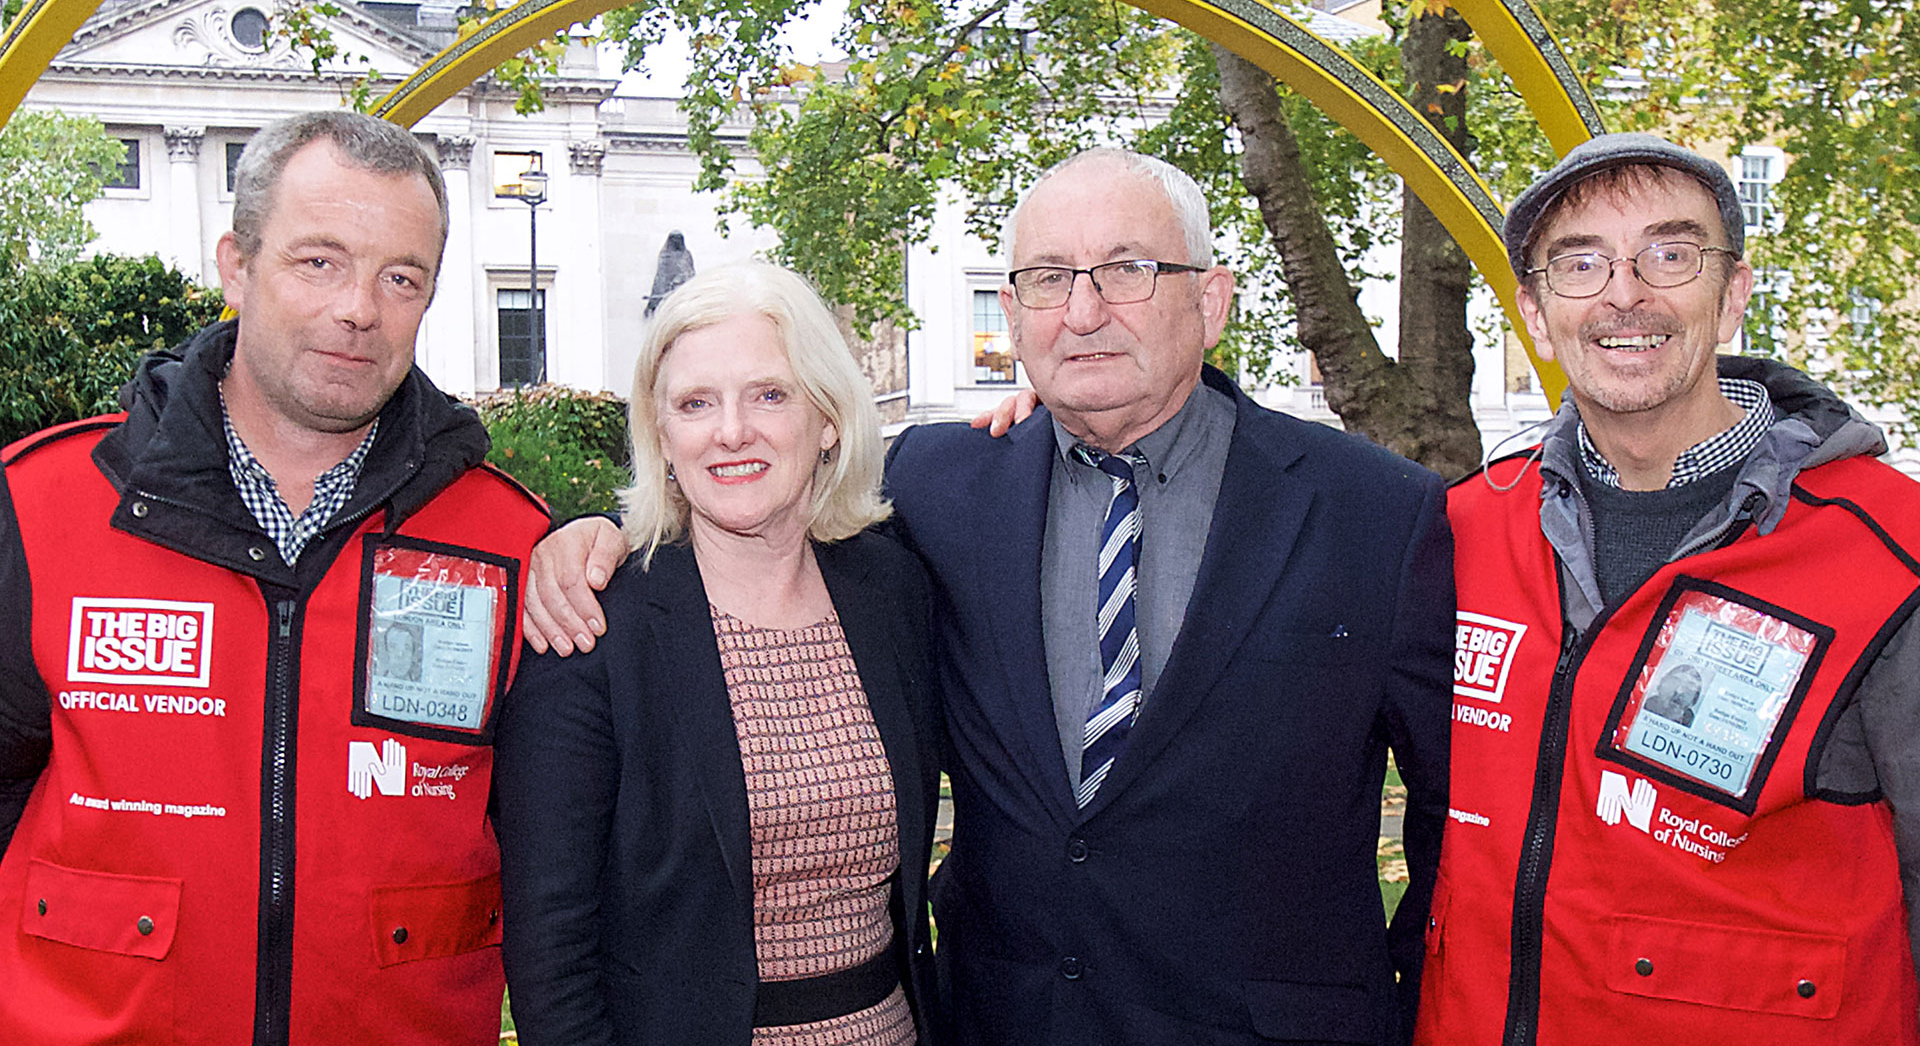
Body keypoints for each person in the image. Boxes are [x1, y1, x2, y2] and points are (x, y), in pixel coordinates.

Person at [525, 149, 1455, 1045]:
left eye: (1126, 270)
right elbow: (751, 507)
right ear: (1013, 317)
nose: (1083, 312)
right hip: (996, 1017)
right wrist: (590, 537)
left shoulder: (1376, 513)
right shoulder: (942, 487)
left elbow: (1458, 827)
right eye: (1049, 279)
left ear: (1211, 300)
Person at [0, 111, 552, 1044]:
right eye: (319, 262)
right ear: (236, 264)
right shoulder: (38, 507)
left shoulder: (514, 543)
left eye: (400, 277)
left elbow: (559, 857)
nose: (359, 310)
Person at [1416, 132, 1920, 1044]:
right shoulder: (1462, 531)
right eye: (1581, 262)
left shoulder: (1891, 554)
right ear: (1534, 312)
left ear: (1731, 295)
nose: (1624, 293)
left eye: (1670, 253)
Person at [494, 262, 942, 1046]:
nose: (732, 431)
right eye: (695, 404)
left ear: (829, 417)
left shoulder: (892, 589)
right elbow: (550, 949)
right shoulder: (592, 625)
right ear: (662, 435)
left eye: (769, 394)